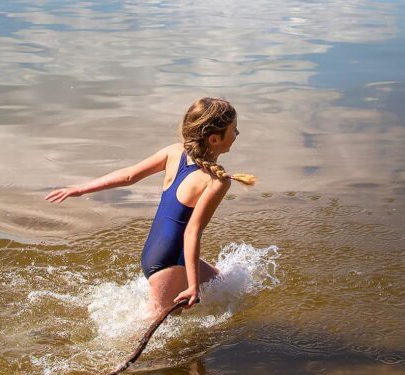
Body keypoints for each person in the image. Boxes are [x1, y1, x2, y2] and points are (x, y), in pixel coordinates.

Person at [45, 97, 255, 321]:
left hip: (156, 252)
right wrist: (192, 286)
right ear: (214, 139)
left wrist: (81, 188)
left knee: (221, 283)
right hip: (168, 262)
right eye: (234, 130)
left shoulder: (175, 152)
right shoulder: (216, 181)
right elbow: (192, 232)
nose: (237, 134)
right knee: (154, 335)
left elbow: (129, 175)